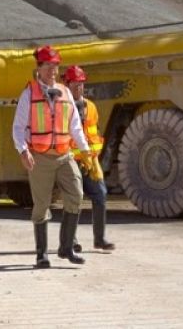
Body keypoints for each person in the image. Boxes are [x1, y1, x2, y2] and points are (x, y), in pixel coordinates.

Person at [12, 45, 94, 268]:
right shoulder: (28, 93)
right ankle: (41, 254)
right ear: (38, 68)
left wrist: (85, 151)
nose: (53, 70)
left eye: (56, 66)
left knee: (76, 195)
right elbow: (18, 127)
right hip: (40, 157)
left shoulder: (66, 92)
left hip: (64, 154)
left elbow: (75, 126)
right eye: (48, 66)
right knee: (41, 205)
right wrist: (23, 151)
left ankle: (66, 248)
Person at [63, 65, 115, 252]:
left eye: (81, 84)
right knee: (74, 199)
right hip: (69, 162)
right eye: (76, 84)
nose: (79, 88)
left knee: (100, 195)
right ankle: (72, 240)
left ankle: (99, 239)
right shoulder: (62, 108)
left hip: (90, 161)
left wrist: (92, 158)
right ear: (66, 84)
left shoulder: (90, 107)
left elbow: (94, 135)